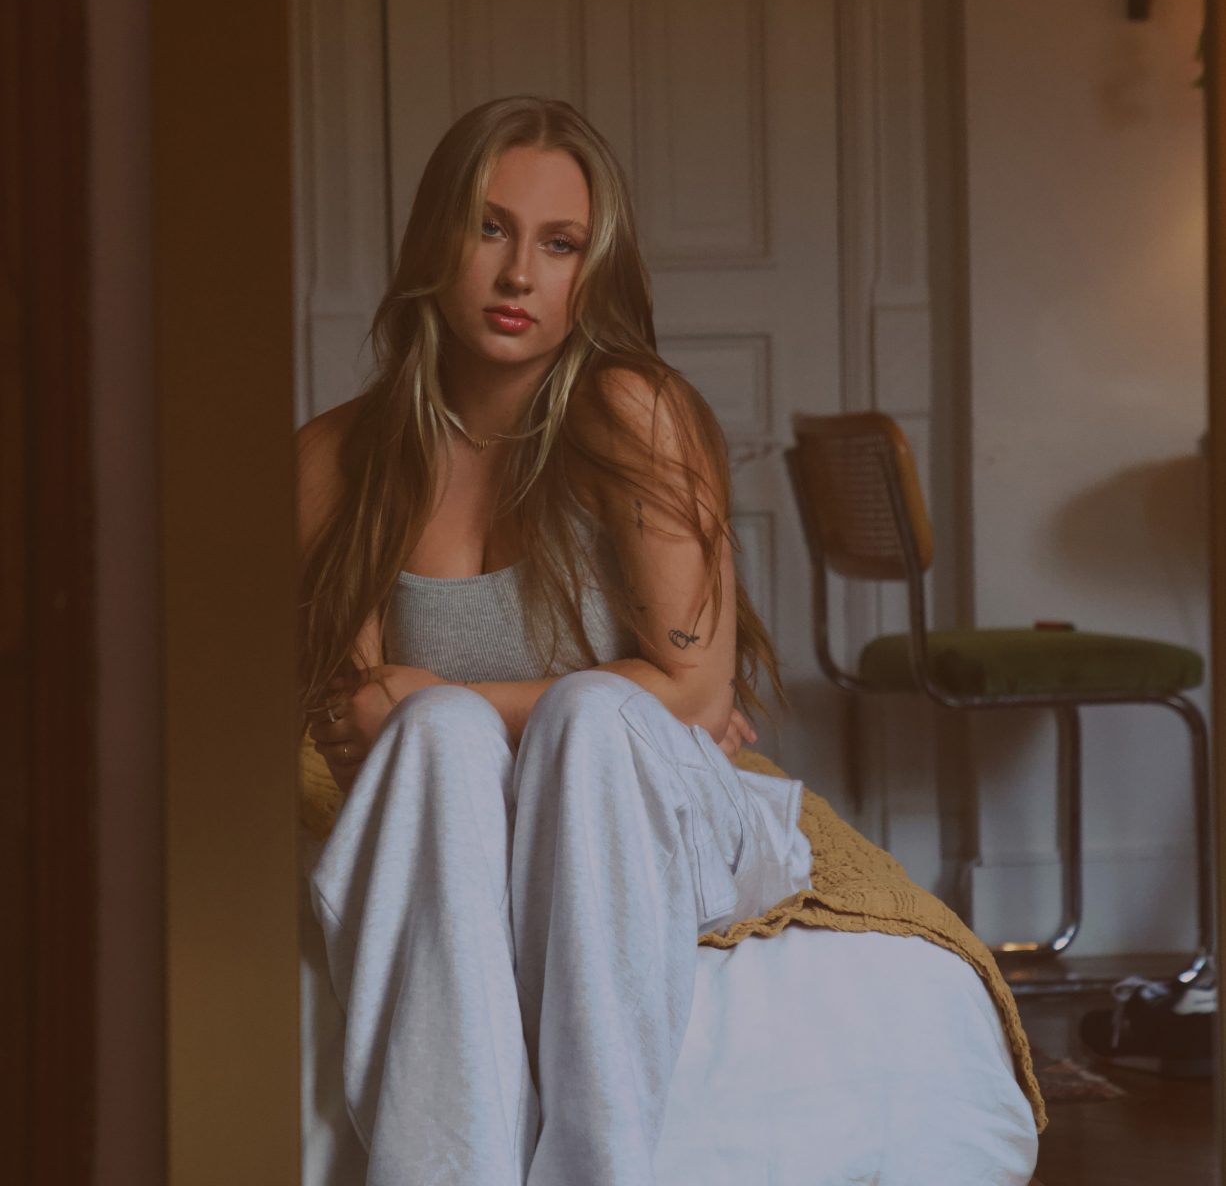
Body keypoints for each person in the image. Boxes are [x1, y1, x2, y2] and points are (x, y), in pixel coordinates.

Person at [295, 95, 1035, 1186]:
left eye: (559, 244)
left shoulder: (628, 409)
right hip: (462, 812)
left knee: (593, 717)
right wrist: (446, 712)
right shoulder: (337, 457)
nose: (518, 275)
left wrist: (488, 701)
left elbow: (692, 694)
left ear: (592, 269)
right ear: (433, 239)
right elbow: (364, 725)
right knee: (448, 734)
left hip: (641, 799)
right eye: (490, 229)